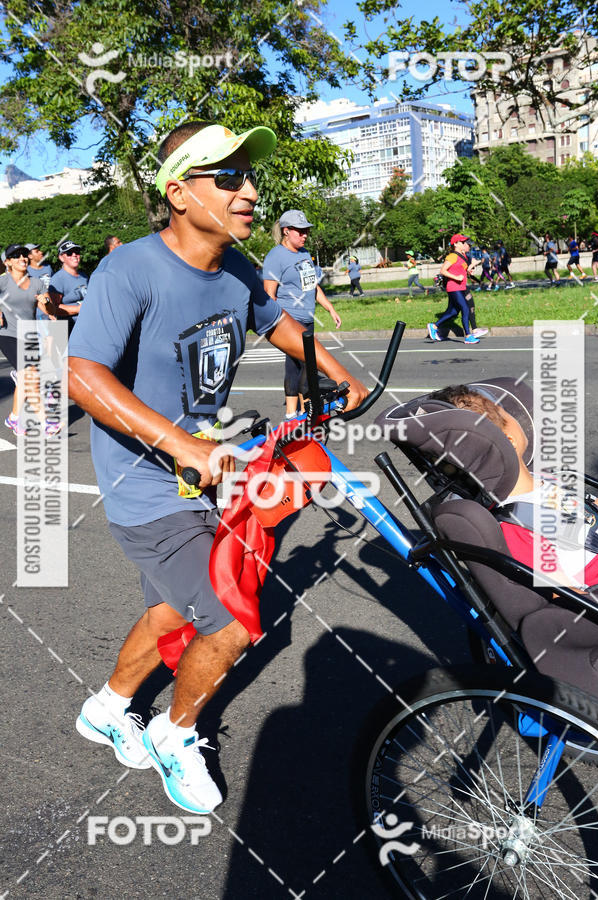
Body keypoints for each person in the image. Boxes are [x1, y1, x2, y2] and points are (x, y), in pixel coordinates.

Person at [68, 120, 367, 815]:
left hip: (211, 468)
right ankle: (177, 732)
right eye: (228, 178)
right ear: (178, 192)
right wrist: (183, 444)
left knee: (177, 604)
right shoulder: (131, 268)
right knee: (231, 619)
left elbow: (278, 323)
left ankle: (108, 707)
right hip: (146, 484)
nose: (250, 192)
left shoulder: (235, 268)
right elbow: (82, 374)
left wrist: (336, 372)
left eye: (250, 177)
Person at [432, 384, 598, 590]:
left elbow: (587, 510)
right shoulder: (517, 524)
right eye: (504, 412)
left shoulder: (540, 479)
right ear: (509, 441)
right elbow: (563, 593)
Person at [263, 210, 342, 418]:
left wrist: (330, 309)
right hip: (289, 318)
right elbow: (269, 294)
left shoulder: (305, 254)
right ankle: (292, 412)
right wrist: (277, 324)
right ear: (286, 231)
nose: (304, 235)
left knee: (306, 364)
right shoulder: (275, 256)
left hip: (307, 318)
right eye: (300, 231)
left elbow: (313, 286)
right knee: (296, 363)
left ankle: (304, 409)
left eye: (306, 231)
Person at [0, 243, 59, 435]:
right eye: (16, 256)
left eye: (24, 255)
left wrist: (47, 302)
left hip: (29, 335)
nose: (22, 258)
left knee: (27, 378)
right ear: (8, 262)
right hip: (7, 335)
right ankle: (46, 423)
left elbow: (50, 311)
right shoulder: (3, 282)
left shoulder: (37, 283)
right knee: (30, 375)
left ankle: (14, 418)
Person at [426, 234, 481, 345]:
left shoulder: (463, 256)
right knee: (465, 308)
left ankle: (434, 326)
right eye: (462, 242)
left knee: (453, 312)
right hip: (453, 287)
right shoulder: (452, 256)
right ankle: (468, 336)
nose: (464, 244)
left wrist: (469, 271)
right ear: (455, 244)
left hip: (461, 287)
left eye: (464, 242)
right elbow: (443, 270)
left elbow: (461, 271)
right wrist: (456, 277)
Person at [49, 241, 89, 331]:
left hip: (85, 326)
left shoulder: (84, 276)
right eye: (69, 253)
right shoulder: (58, 279)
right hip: (66, 329)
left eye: (77, 252)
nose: (74, 255)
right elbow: (53, 308)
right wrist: (78, 309)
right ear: (61, 258)